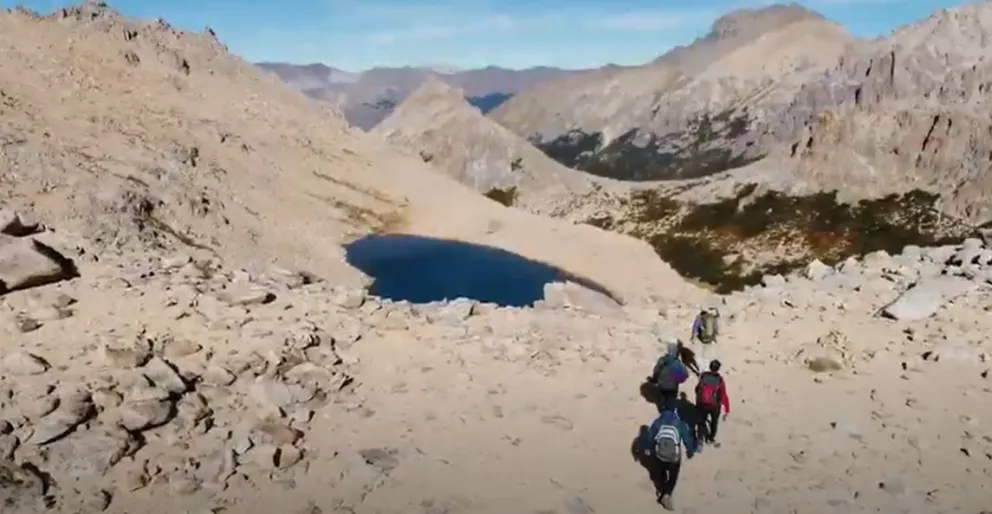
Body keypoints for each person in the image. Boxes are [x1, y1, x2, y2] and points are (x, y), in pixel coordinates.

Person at [636, 406, 700, 510]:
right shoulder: (680, 424)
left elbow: (650, 438)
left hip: (659, 454)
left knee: (659, 465)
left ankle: (660, 483)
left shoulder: (657, 422)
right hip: (673, 456)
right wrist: (690, 451)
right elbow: (687, 440)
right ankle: (666, 494)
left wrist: (647, 449)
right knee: (674, 474)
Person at [694, 359, 730, 445]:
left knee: (701, 420)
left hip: (703, 403)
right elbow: (723, 395)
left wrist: (699, 401)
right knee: (714, 422)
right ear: (718, 369)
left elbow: (697, 389)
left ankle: (700, 438)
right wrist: (727, 408)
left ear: (710, 367)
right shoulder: (720, 380)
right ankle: (711, 437)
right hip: (714, 405)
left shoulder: (703, 376)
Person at [649, 343, 690, 411]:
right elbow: (685, 374)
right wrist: (678, 379)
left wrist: (655, 380)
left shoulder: (662, 360)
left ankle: (663, 411)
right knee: (671, 403)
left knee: (664, 399)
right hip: (672, 387)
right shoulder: (676, 362)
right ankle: (669, 416)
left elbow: (656, 371)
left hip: (662, 385)